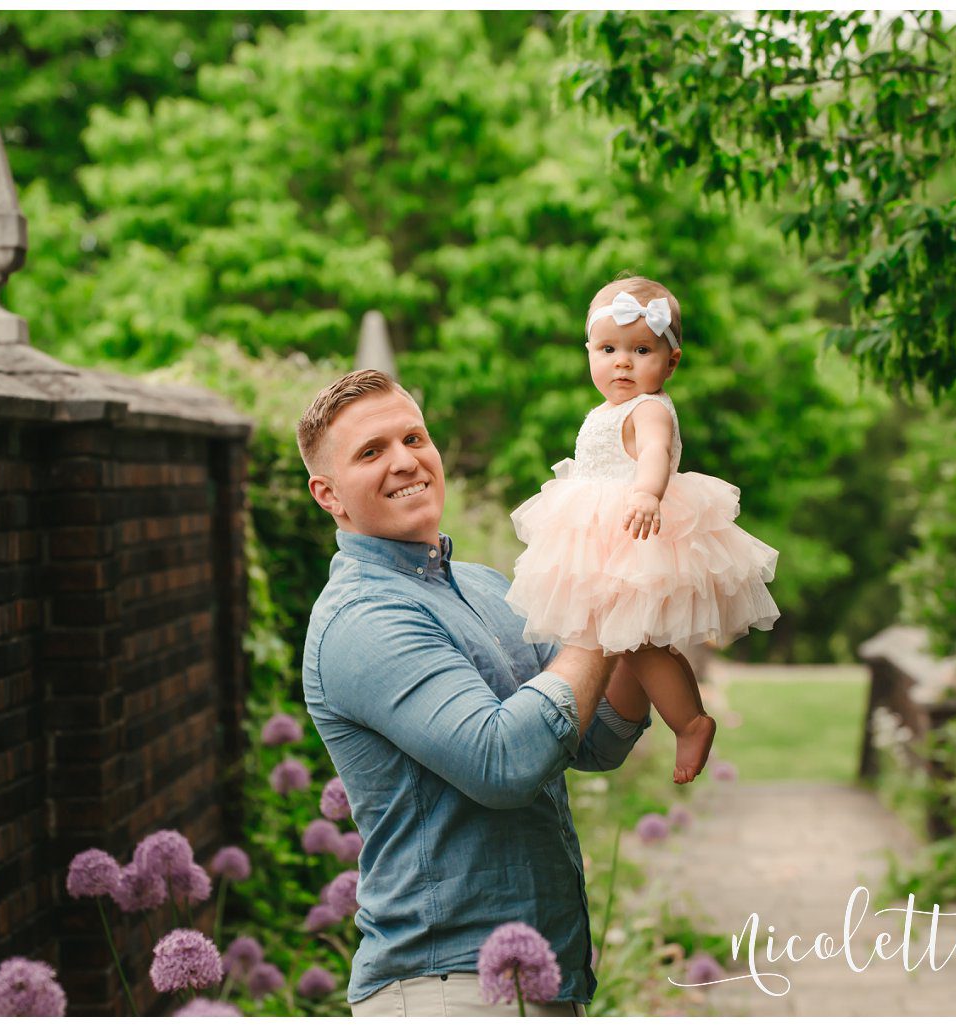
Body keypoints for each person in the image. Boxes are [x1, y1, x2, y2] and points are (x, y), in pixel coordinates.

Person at [297, 370, 651, 1016]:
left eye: (413, 436)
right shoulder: (362, 617)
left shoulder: (486, 588)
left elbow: (595, 732)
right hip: (446, 989)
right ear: (329, 494)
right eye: (371, 451)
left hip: (546, 977)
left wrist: (645, 603)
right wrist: (601, 610)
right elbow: (503, 761)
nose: (405, 459)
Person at [505, 276, 780, 783]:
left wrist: (646, 494)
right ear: (589, 352)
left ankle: (691, 723)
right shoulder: (608, 410)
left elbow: (654, 452)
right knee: (628, 642)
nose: (622, 362)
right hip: (606, 537)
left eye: (641, 350)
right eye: (608, 348)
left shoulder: (650, 409)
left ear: (670, 362)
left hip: (635, 534)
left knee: (644, 644)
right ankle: (623, 721)